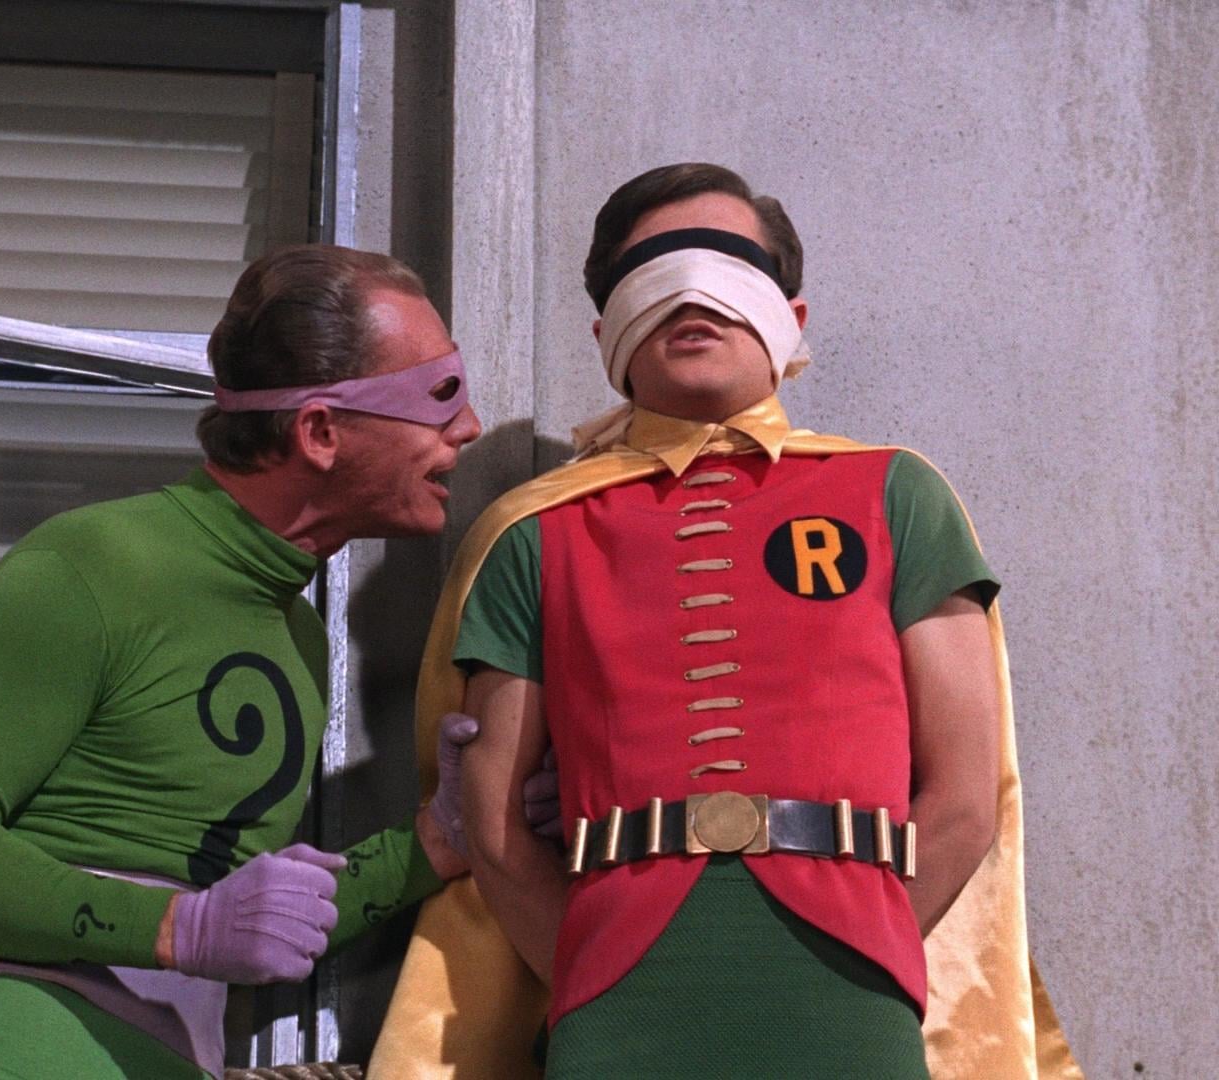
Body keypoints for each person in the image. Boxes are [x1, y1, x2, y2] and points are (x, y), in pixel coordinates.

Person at [368, 164, 1079, 1078]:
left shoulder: (896, 494)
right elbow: (497, 827)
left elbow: (967, 795)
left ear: (792, 316)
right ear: (606, 334)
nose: (694, 294)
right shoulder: (534, 532)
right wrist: (591, 973)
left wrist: (872, 950)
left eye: (730, 265)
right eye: (654, 272)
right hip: (616, 996)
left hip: (853, 991)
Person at [0, 245, 486, 1080]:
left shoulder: (299, 638)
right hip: (4, 1046)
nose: (469, 428)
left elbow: (236, 919)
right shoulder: (94, 563)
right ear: (320, 431)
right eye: (439, 397)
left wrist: (438, 841)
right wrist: (174, 929)